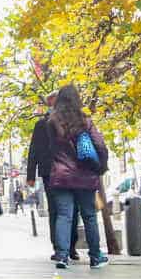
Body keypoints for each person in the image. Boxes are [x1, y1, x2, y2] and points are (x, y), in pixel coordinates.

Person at [46, 85, 110, 269]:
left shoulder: (52, 122)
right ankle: (95, 256)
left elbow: (51, 150)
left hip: (62, 175)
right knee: (89, 216)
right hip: (85, 176)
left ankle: (62, 255)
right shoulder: (85, 121)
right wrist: (101, 167)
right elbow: (100, 145)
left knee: (64, 215)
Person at [26, 94, 80, 261]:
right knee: (56, 210)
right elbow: (33, 149)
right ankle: (59, 247)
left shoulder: (72, 121)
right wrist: (30, 174)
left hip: (72, 171)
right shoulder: (41, 125)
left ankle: (70, 246)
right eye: (50, 103)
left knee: (73, 209)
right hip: (50, 171)